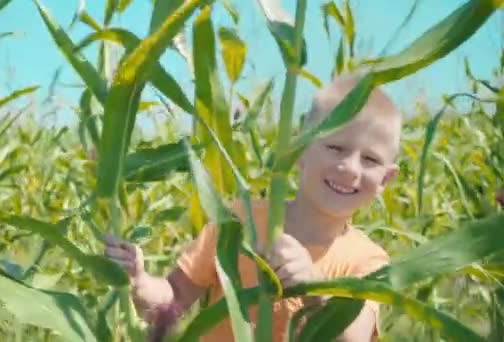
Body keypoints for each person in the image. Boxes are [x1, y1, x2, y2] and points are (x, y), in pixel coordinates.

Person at [104, 73, 401, 341]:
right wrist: (139, 280)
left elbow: (354, 338)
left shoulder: (369, 262)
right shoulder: (237, 221)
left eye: (370, 160)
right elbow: (174, 299)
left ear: (386, 179)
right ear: (298, 149)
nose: (349, 168)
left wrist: (314, 288)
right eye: (335, 148)